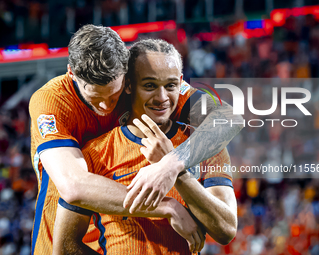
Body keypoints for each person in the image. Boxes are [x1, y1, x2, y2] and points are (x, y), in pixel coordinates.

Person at [29, 25, 242, 254]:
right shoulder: (52, 101)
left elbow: (228, 118)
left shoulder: (154, 88)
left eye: (114, 94)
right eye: (94, 97)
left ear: (126, 78)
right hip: (60, 231)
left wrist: (171, 165)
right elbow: (74, 186)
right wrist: (168, 206)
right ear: (72, 73)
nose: (105, 106)